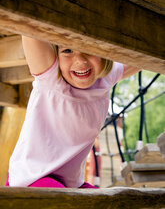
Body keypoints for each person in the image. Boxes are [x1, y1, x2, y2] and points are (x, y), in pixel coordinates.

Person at [6, 36, 140, 188]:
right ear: (56, 56)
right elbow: (29, 28)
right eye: (67, 50)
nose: (80, 61)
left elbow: (143, 57)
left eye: (89, 49)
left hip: (70, 182)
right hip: (31, 177)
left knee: (104, 200)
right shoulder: (51, 80)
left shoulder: (106, 79)